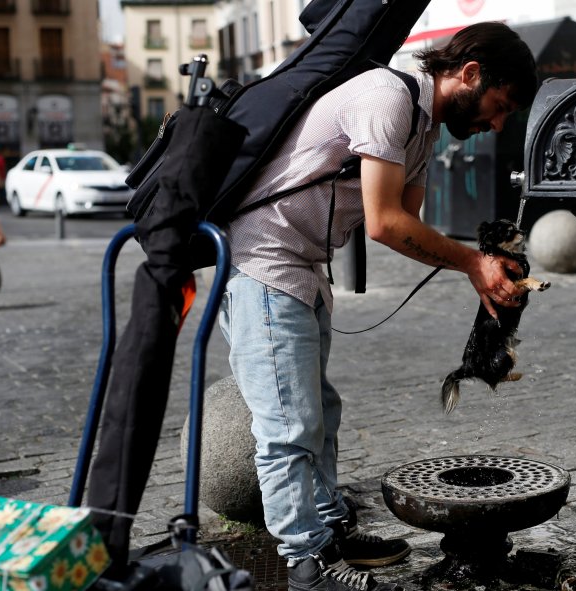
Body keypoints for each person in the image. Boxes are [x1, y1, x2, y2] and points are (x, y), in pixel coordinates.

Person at [219, 22, 537, 591]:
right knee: (288, 425)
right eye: (500, 106)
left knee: (320, 411)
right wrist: (471, 264)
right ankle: (305, 564)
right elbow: (386, 223)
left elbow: (404, 222)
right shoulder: (387, 97)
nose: (496, 124)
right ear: (469, 74)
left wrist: (483, 267)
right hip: (262, 263)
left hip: (302, 269)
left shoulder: (423, 125)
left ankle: (331, 530)